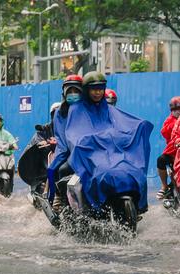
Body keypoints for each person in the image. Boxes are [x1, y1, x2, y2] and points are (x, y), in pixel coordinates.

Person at [49, 71, 153, 214]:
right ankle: (67, 204)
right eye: (93, 89)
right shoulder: (74, 110)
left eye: (100, 89)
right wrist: (83, 143)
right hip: (85, 152)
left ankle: (134, 206)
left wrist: (136, 128)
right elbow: (73, 134)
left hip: (108, 151)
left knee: (132, 171)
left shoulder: (108, 109)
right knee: (62, 170)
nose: (97, 92)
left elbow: (121, 125)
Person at [48, 74, 83, 211]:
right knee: (57, 169)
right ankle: (60, 197)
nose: (73, 95)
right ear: (64, 92)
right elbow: (62, 136)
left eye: (76, 91)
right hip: (69, 152)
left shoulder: (88, 109)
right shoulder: (60, 113)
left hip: (90, 152)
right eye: (70, 91)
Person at [156, 96, 180, 199]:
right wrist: (176, 124)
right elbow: (164, 132)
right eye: (174, 110)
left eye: (179, 109)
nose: (177, 112)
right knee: (161, 160)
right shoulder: (170, 120)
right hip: (174, 152)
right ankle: (164, 186)